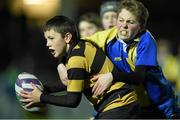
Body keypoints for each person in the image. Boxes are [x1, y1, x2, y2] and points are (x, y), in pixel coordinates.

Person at [58, 0, 180, 119]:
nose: (124, 25)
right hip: (135, 105)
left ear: (141, 27)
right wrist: (61, 63)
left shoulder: (146, 40)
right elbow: (77, 45)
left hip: (162, 106)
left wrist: (112, 76)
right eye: (120, 20)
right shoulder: (107, 36)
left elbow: (138, 77)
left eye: (130, 22)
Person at [19, 15, 141, 119]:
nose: (47, 44)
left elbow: (72, 100)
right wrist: (45, 89)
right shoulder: (81, 46)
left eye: (51, 38)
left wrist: (41, 97)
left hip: (119, 105)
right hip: (122, 104)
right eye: (46, 39)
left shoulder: (76, 59)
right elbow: (74, 82)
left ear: (67, 37)